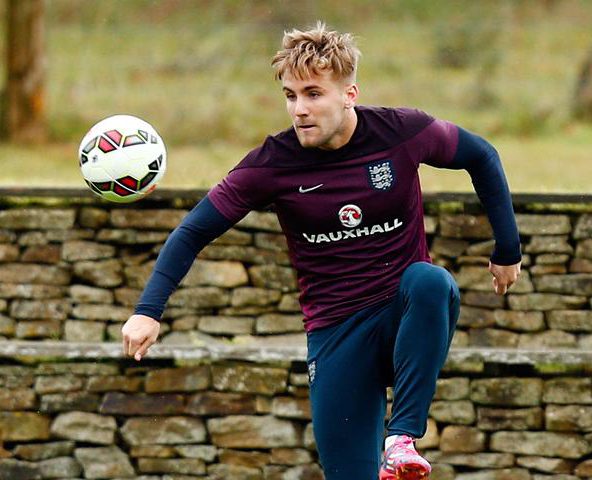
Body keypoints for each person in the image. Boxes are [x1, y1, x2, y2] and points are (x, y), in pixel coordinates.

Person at [121, 22, 522, 480]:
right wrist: (148, 310)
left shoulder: (401, 131)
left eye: (313, 94)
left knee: (429, 281)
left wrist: (507, 249)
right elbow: (192, 231)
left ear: (349, 93)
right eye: (291, 96)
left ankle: (401, 439)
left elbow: (482, 155)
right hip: (335, 336)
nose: (299, 109)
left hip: (401, 319)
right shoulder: (271, 165)